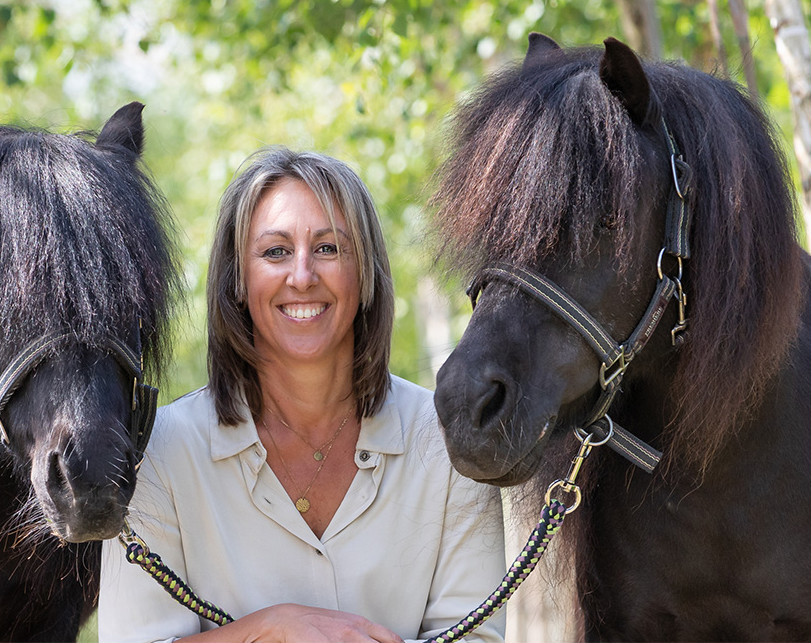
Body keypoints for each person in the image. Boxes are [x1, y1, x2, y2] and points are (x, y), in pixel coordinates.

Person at [99, 148, 506, 643]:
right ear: (237, 282)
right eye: (275, 252)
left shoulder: (445, 446)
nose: (302, 275)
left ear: (368, 271)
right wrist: (269, 631)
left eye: (329, 248)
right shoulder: (158, 454)